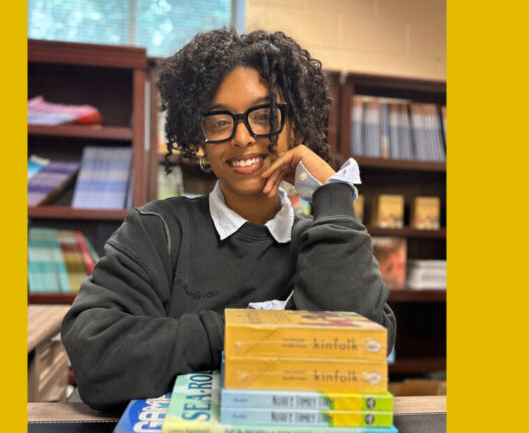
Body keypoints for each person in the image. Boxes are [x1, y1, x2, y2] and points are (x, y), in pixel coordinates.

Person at [61, 29, 396, 410]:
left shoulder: (328, 240)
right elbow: (97, 354)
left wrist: (332, 195)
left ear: (296, 128)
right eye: (220, 121)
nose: (241, 137)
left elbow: (361, 350)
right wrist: (254, 330)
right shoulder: (158, 230)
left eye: (265, 115)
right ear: (200, 141)